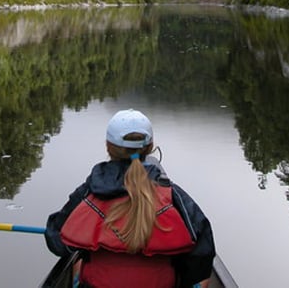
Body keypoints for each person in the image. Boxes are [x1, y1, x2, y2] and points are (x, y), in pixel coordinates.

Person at [45, 109, 216, 288]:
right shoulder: (173, 195)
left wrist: (84, 248)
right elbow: (203, 252)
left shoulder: (88, 193)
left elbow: (56, 239)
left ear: (108, 146)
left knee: (78, 261)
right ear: (149, 147)